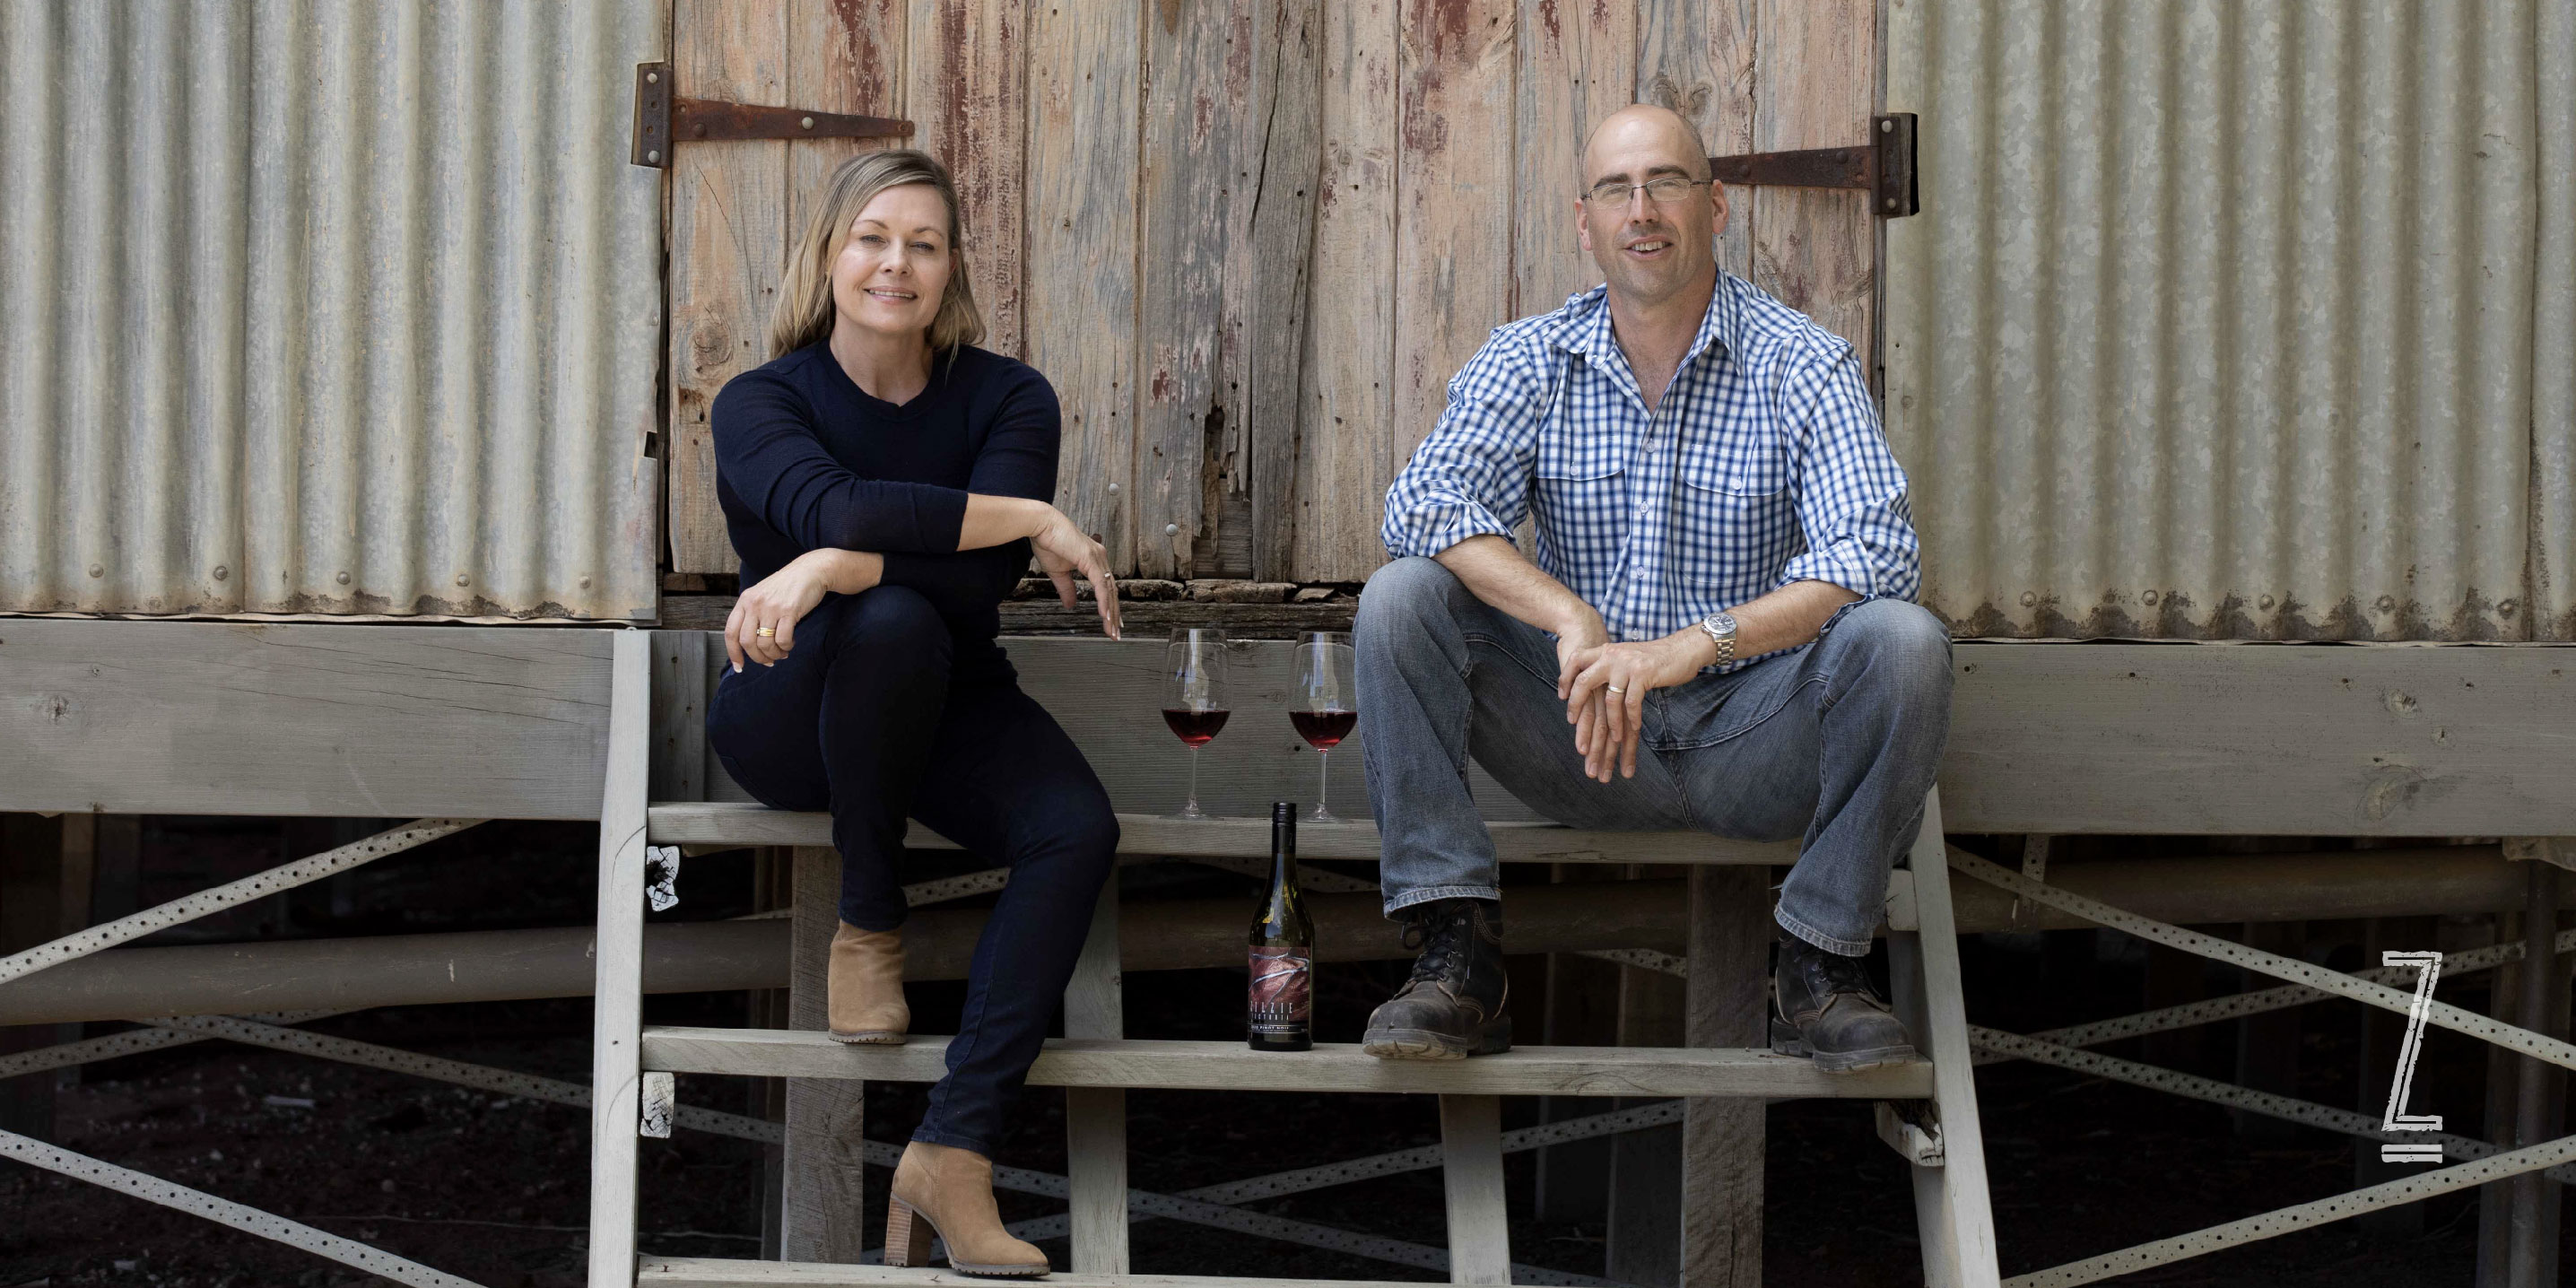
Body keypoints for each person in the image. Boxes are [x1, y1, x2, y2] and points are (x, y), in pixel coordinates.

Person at [1357, 105, 1949, 1072]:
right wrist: (1565, 612)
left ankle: (1820, 967)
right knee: (1400, 598)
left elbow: (1875, 551)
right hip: (1577, 734)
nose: (1643, 211)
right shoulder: (1533, 357)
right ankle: (1455, 955)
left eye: (1667, 182)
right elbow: (1422, 500)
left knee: (1903, 640)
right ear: (1582, 221)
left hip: (1753, 739)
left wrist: (1696, 643)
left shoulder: (1800, 360)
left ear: (1714, 206)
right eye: (1616, 190)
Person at [706, 148, 1120, 1278]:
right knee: (886, 618)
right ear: (830, 254)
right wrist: (1019, 510)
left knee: (1076, 829)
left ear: (950, 269)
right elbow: (840, 502)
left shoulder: (1006, 396)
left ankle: (953, 1149)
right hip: (789, 707)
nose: (896, 264)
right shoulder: (761, 401)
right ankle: (869, 917)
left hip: (948, 692)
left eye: (923, 244)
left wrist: (826, 563)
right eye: (872, 237)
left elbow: (972, 590)